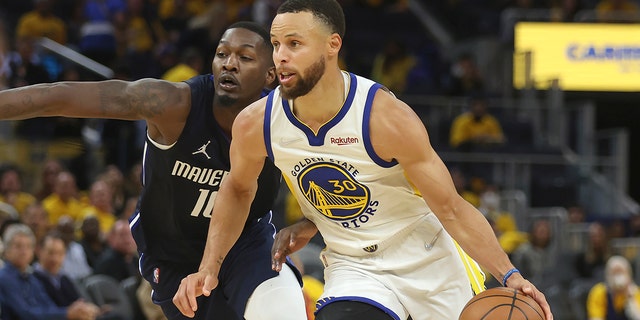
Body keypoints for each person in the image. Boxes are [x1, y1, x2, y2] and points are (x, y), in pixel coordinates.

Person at [172, 1, 553, 320]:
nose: (281, 57)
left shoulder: (385, 117)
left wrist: (510, 274)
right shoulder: (257, 123)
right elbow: (237, 189)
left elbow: (451, 208)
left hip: (425, 257)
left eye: (294, 43)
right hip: (354, 265)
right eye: (275, 44)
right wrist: (209, 267)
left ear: (331, 45)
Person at [0, 21, 306, 320]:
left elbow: (344, 171)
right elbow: (62, 95)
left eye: (245, 57)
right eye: (222, 53)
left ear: (270, 75)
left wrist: (309, 223)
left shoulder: (286, 120)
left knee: (282, 309)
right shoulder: (173, 105)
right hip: (174, 254)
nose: (229, 64)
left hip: (246, 242)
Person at [0, 223, 100, 319]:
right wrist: (67, 313)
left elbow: (49, 307)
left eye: (28, 246)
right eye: (18, 246)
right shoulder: (4, 278)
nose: (24, 251)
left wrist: (78, 310)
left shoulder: (31, 278)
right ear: (7, 251)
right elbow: (26, 314)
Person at [586, 255, 640, 320]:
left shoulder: (636, 292)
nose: (618, 276)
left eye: (621, 272)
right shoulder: (599, 292)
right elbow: (595, 317)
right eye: (614, 273)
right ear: (607, 275)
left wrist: (630, 299)